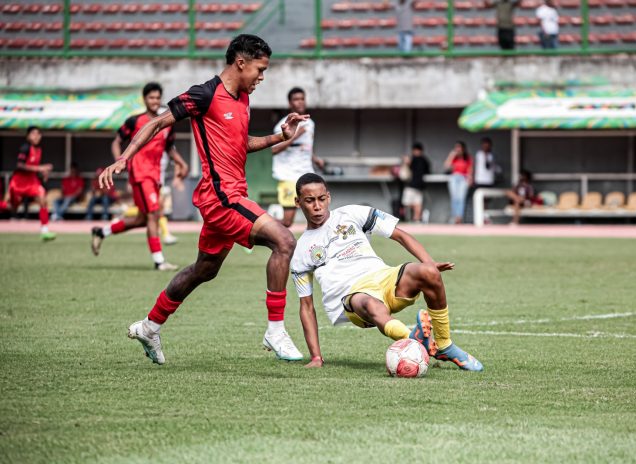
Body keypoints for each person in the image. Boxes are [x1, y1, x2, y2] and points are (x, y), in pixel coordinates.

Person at [98, 34, 307, 365]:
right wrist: (125, 158)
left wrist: (279, 137)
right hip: (220, 198)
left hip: (230, 196)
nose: (262, 77)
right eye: (260, 69)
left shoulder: (241, 99)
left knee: (204, 269)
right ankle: (276, 329)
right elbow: (157, 122)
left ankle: (150, 326)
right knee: (284, 240)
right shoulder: (204, 93)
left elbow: (240, 143)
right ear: (241, 62)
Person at [290, 173, 483, 371]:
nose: (317, 206)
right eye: (309, 201)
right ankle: (412, 340)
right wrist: (316, 357)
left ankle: (444, 345)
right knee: (366, 301)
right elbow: (306, 307)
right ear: (298, 202)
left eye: (321, 199)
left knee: (428, 272)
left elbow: (399, 235)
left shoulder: (351, 214)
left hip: (384, 279)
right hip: (352, 298)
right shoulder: (300, 252)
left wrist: (430, 264)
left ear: (328, 197)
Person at [91, 82, 189, 271]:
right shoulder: (134, 121)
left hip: (155, 176)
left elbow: (169, 148)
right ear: (144, 99)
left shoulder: (166, 122)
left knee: (142, 219)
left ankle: (101, 232)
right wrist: (120, 161)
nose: (155, 101)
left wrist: (182, 163)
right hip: (140, 174)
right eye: (151, 97)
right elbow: (116, 142)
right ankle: (159, 261)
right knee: (153, 215)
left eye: (157, 97)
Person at [271, 87, 324, 228]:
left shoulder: (310, 123)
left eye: (302, 99)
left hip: (306, 175)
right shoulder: (283, 125)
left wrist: (315, 159)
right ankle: (256, 228)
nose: (300, 102)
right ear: (290, 103)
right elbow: (274, 149)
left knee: (317, 216)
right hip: (289, 176)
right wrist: (294, 136)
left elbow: (306, 147)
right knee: (287, 222)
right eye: (296, 99)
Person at [7, 126, 56, 240]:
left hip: (32, 181)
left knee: (43, 199)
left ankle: (45, 231)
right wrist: (40, 168)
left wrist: (43, 173)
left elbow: (33, 167)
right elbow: (20, 165)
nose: (36, 136)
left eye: (38, 134)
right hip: (19, 181)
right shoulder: (25, 148)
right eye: (33, 134)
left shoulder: (39, 150)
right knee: (11, 206)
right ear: (28, 136)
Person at [443, 141, 472, 224]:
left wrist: (470, 178)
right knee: (454, 198)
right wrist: (451, 155)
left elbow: (470, 169)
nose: (458, 149)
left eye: (459, 147)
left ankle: (459, 218)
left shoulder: (467, 157)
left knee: (461, 198)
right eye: (456, 147)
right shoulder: (454, 158)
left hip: (463, 178)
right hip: (454, 178)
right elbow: (446, 166)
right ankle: (454, 217)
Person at [401, 142, 430, 222]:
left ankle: (417, 218)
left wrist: (407, 162)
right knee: (417, 203)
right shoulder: (425, 160)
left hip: (412, 185)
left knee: (409, 203)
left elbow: (409, 167)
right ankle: (416, 218)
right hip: (420, 186)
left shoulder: (415, 159)